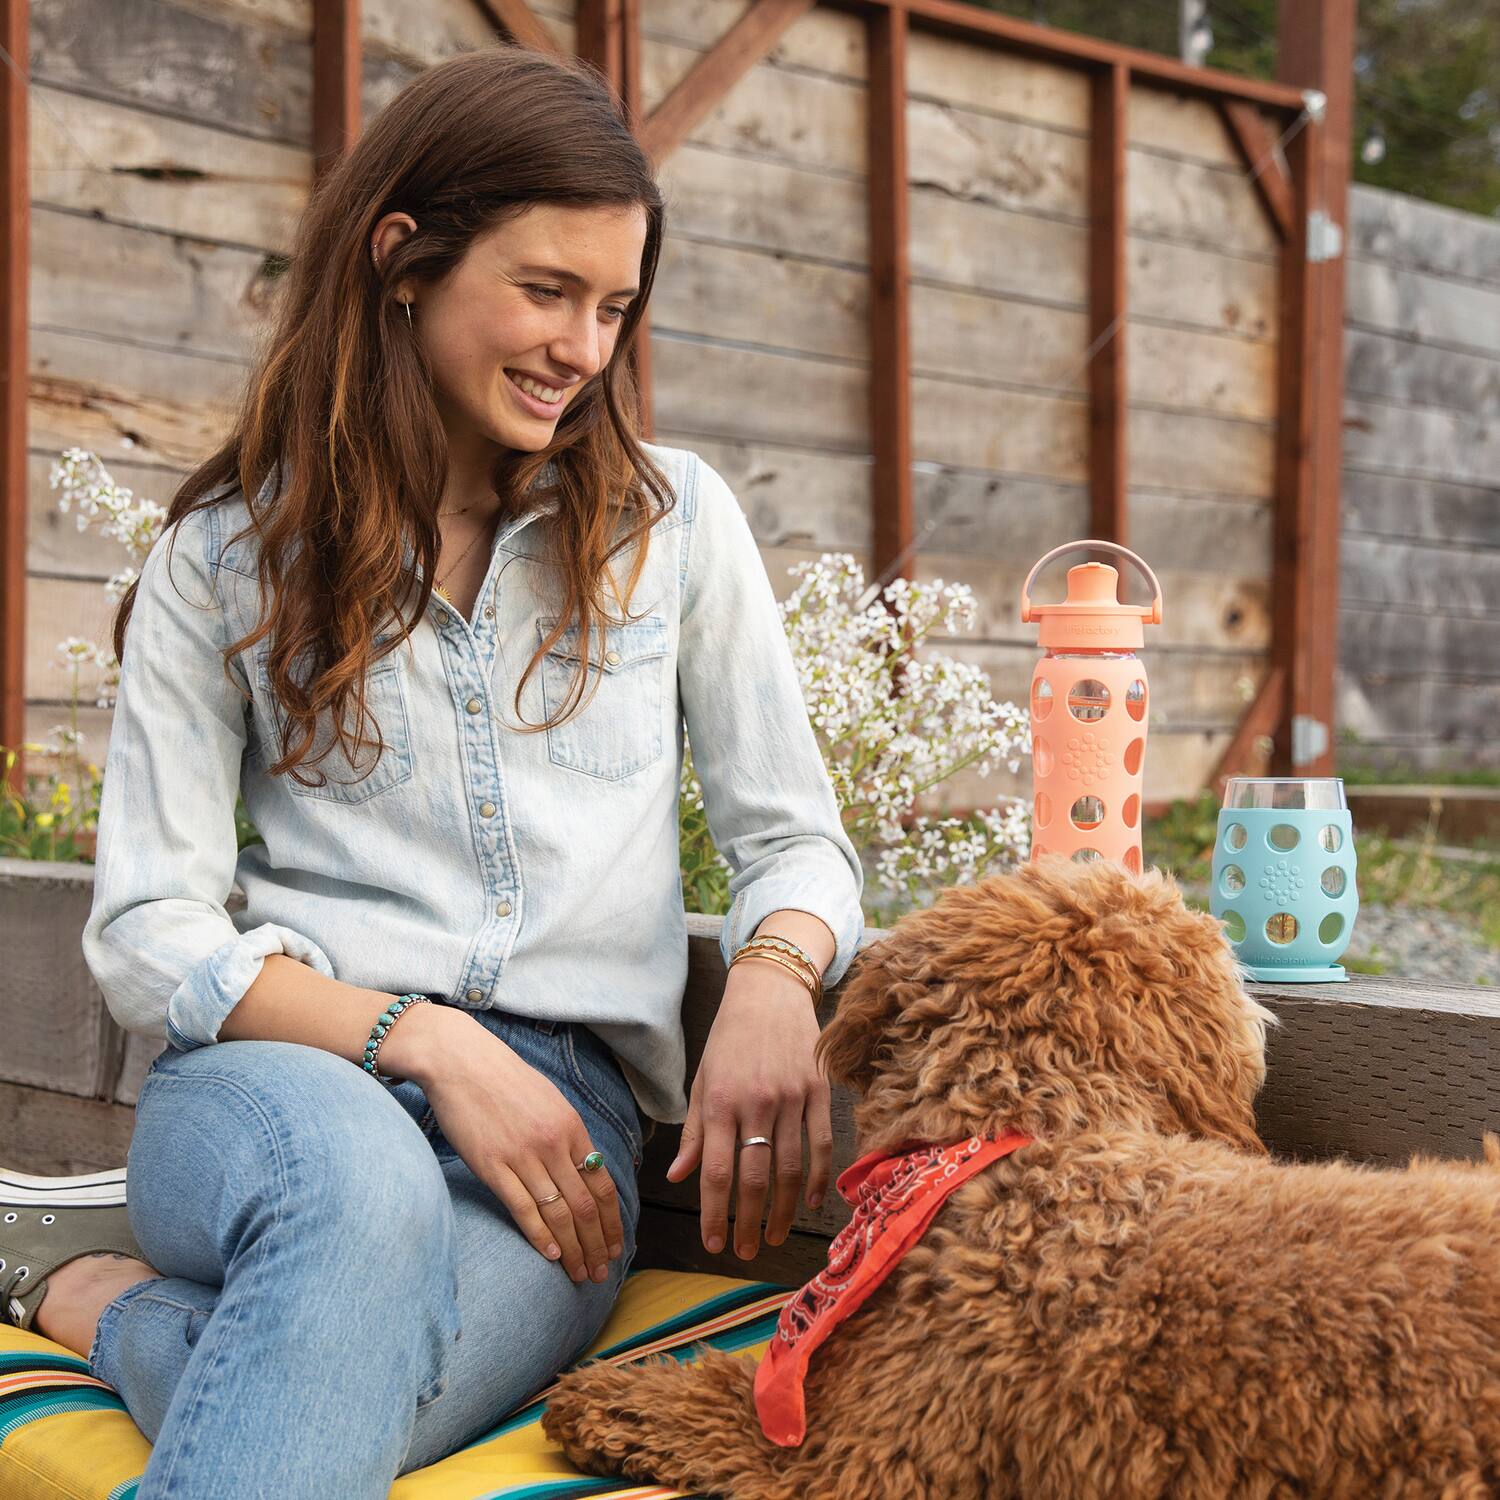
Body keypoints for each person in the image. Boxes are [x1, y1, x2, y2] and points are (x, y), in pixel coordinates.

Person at [0, 44, 863, 1495]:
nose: (584, 347)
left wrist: (777, 975)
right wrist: (429, 1038)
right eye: (545, 290)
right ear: (404, 261)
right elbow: (150, 932)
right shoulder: (225, 559)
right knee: (359, 1184)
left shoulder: (678, 528)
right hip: (281, 1087)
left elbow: (800, 844)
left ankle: (98, 1301)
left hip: (557, 1143)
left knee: (346, 1405)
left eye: (613, 306)